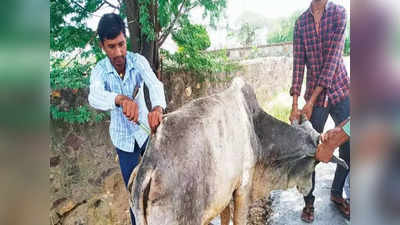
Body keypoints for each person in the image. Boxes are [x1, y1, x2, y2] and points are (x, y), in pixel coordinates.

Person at [88, 13, 166, 225]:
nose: (119, 52)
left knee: (160, 183)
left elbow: (155, 84)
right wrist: (120, 99)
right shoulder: (100, 71)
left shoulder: (137, 61)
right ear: (102, 46)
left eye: (121, 44)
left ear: (125, 39)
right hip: (123, 142)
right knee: (135, 192)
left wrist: (157, 108)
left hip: (144, 134)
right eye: (111, 46)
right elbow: (94, 95)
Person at [289, 0, 350, 222]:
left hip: (340, 90)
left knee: (350, 147)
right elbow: (298, 64)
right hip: (312, 100)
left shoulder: (339, 14)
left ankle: (336, 193)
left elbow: (333, 61)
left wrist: (311, 100)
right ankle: (309, 202)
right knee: (310, 150)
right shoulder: (301, 23)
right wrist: (295, 104)